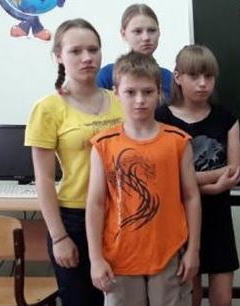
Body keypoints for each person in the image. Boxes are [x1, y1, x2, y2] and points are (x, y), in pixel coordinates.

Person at [86, 52, 201, 306]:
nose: (140, 100)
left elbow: (191, 197)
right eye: (130, 92)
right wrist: (95, 259)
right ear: (116, 93)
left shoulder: (178, 141)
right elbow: (95, 204)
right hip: (119, 257)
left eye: (147, 92)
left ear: (159, 92)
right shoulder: (103, 144)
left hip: (169, 254)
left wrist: (193, 250)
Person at [25, 18, 124, 306]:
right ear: (59, 56)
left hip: (121, 218)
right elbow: (44, 179)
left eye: (93, 50)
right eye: (76, 51)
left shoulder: (121, 101)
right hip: (74, 220)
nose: (87, 58)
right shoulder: (48, 108)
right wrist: (59, 237)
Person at [156, 45, 240, 306]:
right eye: (194, 76)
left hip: (218, 216)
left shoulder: (226, 118)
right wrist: (211, 185)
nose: (203, 84)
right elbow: (163, 178)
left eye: (209, 76)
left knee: (223, 299)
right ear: (178, 77)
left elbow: (233, 170)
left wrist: (186, 181)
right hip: (178, 217)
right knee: (189, 296)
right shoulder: (161, 119)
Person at [97, 3, 174, 101]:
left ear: (159, 32)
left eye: (151, 30)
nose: (146, 37)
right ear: (123, 34)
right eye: (138, 31)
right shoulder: (108, 76)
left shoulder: (169, 79)